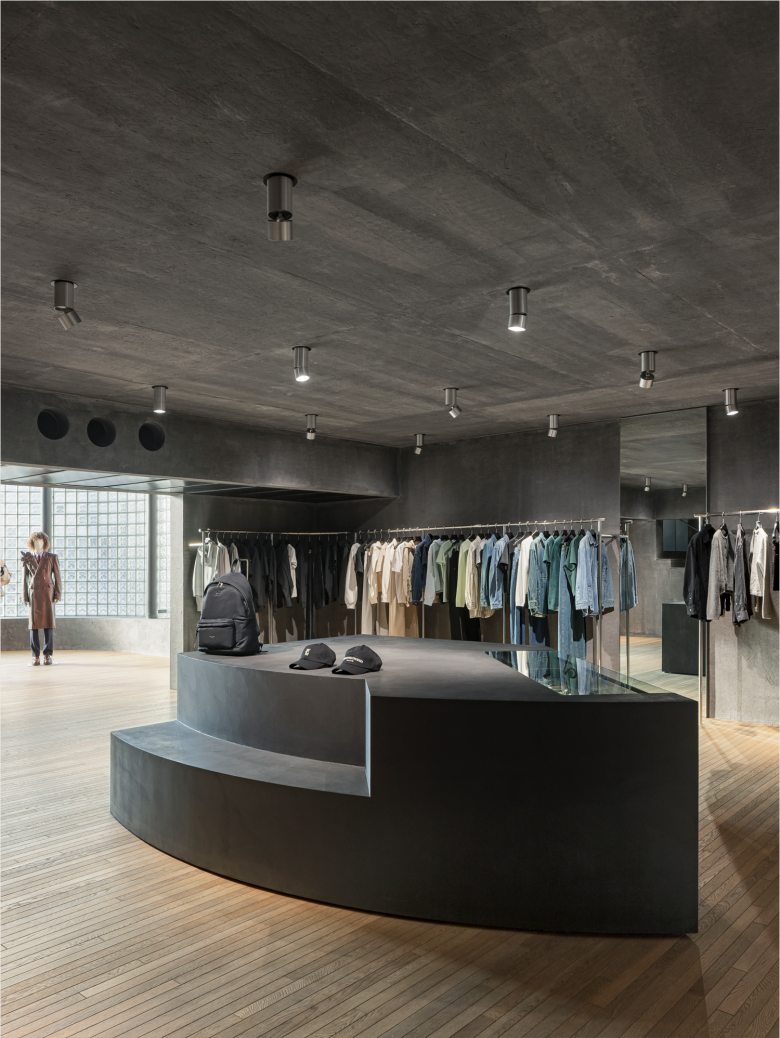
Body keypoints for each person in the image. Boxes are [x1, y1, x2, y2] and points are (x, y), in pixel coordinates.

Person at [21, 532, 62, 666]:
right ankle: (35, 656)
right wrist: (24, 596)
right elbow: (24, 579)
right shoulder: (27, 557)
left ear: (45, 542)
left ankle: (48, 655)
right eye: (36, 541)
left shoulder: (52, 557)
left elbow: (57, 577)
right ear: (32, 543)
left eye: (41, 541)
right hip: (34, 594)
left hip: (47, 593)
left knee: (48, 624)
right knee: (33, 626)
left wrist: (57, 594)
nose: (38, 543)